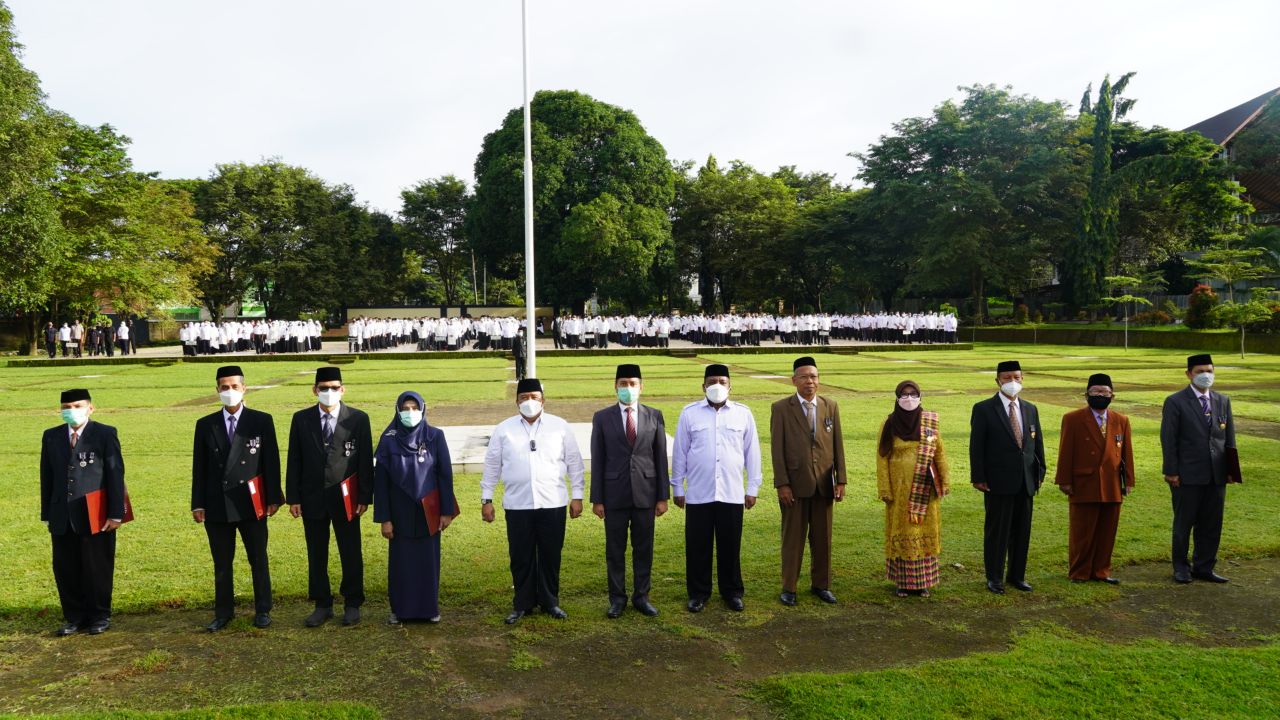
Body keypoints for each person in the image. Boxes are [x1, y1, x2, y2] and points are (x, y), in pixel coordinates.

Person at [481, 378, 585, 624]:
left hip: (553, 503)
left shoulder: (559, 427)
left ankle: (550, 602)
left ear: (543, 400)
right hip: (518, 505)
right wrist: (487, 498)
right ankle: (522, 603)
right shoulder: (504, 429)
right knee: (521, 555)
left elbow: (574, 463)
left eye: (534, 397)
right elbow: (492, 466)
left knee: (550, 555)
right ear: (516, 401)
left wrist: (577, 496)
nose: (529, 402)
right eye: (524, 397)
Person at [191, 365, 282, 630]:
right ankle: (223, 612)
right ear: (217, 390)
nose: (229, 391)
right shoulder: (205, 424)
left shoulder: (261, 420)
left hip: (252, 503)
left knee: (258, 559)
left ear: (244, 388)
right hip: (217, 503)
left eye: (234, 386)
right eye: (224, 387)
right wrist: (198, 503)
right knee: (221, 562)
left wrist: (273, 497)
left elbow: (271, 461)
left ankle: (263, 609)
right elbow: (200, 468)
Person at [286, 367, 373, 627]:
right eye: (323, 387)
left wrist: (364, 496)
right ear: (314, 390)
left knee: (350, 550)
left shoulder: (357, 419)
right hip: (312, 496)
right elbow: (294, 459)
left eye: (334, 387)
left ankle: (353, 602)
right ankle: (322, 603)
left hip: (346, 497)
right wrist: (293, 497)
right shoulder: (301, 419)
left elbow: (365, 461)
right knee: (316, 552)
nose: (329, 392)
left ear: (343, 389)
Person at [670, 364, 762, 612]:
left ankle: (732, 592)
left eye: (722, 381)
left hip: (731, 492)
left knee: (730, 545)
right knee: (697, 545)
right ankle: (698, 593)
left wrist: (752, 487)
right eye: (712, 381)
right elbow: (680, 452)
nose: (717, 386)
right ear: (703, 386)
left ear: (730, 385)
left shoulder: (743, 414)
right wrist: (677, 486)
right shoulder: (690, 413)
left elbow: (752, 452)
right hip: (699, 492)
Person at [40, 389, 126, 636]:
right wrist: (48, 512)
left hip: (95, 512)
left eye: (77, 405)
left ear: (90, 407)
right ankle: (74, 617)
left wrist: (115, 513)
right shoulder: (52, 436)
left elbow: (114, 474)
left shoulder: (105, 434)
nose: (72, 410)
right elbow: (47, 476)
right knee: (65, 568)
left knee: (96, 566)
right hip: (62, 514)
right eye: (67, 406)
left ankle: (99, 615)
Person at [590, 364, 670, 619]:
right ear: (615, 386)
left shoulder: (654, 415)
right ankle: (617, 598)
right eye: (623, 383)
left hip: (646, 493)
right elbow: (598, 459)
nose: (628, 388)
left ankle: (641, 596)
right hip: (614, 494)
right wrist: (597, 499)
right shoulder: (602, 417)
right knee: (615, 550)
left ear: (641, 387)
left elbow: (660, 458)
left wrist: (662, 496)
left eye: (632, 383)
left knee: (643, 548)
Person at [374, 390, 457, 624]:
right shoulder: (388, 439)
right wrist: (385, 518)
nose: (410, 412)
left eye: (414, 408)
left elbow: (445, 476)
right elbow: (380, 483)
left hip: (428, 513)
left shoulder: (435, 436)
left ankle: (429, 609)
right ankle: (400, 610)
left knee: (427, 562)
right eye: (405, 408)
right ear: (397, 410)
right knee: (401, 564)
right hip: (398, 515)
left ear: (423, 408)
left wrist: (446, 511)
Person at [770, 356, 847, 607]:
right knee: (793, 539)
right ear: (794, 380)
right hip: (795, 484)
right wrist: (782, 483)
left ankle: (821, 585)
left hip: (824, 484)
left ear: (819, 379)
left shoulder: (830, 406)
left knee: (823, 539)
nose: (809, 381)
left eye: (813, 376)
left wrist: (841, 480)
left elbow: (838, 446)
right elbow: (777, 449)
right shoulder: (781, 408)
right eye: (803, 377)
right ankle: (789, 587)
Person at [1161, 354, 1238, 584]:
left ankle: (1204, 566)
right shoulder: (1175, 401)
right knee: (1184, 523)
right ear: (1188, 374)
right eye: (1200, 371)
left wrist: (1231, 469)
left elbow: (1229, 438)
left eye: (1210, 371)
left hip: (1216, 474)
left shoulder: (1222, 400)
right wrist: (1171, 471)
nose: (1206, 375)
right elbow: (1168, 439)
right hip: (1187, 474)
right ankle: (1181, 568)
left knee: (1212, 523)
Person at [970, 360, 1046, 595]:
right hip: (997, 481)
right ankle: (994, 577)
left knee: (1022, 531)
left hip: (1026, 481)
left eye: (1017, 377)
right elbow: (977, 446)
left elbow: (1037, 444)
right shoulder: (984, 409)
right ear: (997, 381)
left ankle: (1017, 575)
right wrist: (979, 476)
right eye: (1006, 378)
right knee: (998, 532)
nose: (1012, 382)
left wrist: (1039, 472)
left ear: (1023, 379)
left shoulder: (1030, 408)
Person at [1056, 373, 1135, 584]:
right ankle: (1079, 571)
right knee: (1082, 531)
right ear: (1086, 395)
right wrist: (1064, 480)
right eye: (1096, 392)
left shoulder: (1121, 420)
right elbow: (1065, 451)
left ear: (1113, 396)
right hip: (1084, 482)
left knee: (1107, 531)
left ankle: (1102, 571)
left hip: (1111, 484)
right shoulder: (1073, 419)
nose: (1100, 395)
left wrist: (1128, 481)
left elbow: (1127, 452)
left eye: (1104, 392)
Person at [876, 380, 950, 598]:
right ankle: (903, 582)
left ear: (920, 396)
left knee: (924, 531)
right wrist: (885, 488)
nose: (909, 399)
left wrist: (944, 481)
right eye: (904, 395)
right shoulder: (889, 423)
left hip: (925, 487)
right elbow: (882, 458)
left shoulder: (929, 422)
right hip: (899, 490)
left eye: (913, 394)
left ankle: (923, 582)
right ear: (897, 398)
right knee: (902, 531)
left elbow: (939, 453)